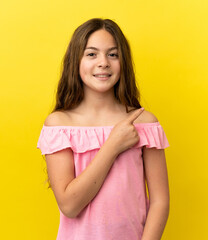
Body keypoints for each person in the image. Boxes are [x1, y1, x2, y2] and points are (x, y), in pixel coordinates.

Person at [37, 18, 170, 240]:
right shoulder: (59, 125)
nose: (103, 62)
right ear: (75, 61)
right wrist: (113, 145)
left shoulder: (144, 123)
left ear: (123, 62)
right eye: (91, 54)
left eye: (113, 54)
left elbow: (160, 201)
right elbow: (70, 205)